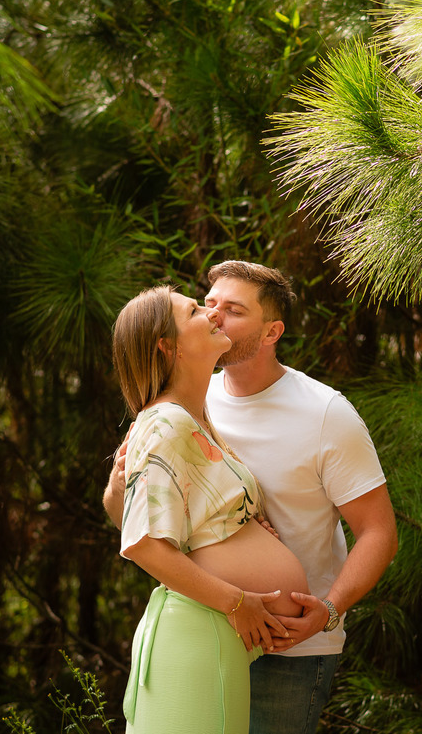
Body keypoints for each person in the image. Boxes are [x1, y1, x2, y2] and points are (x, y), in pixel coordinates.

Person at [105, 261, 398, 734]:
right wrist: (120, 487)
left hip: (292, 648)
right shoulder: (181, 409)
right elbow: (139, 531)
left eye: (233, 310)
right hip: (214, 623)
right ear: (172, 346)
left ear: (271, 332)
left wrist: (328, 610)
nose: (215, 315)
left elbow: (379, 531)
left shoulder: (324, 413)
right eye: (208, 304)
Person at [111, 285, 310, 734]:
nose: (213, 313)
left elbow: (175, 528)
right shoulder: (166, 421)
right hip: (199, 632)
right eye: (195, 310)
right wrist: (238, 602)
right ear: (169, 347)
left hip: (212, 637)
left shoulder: (194, 417)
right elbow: (143, 544)